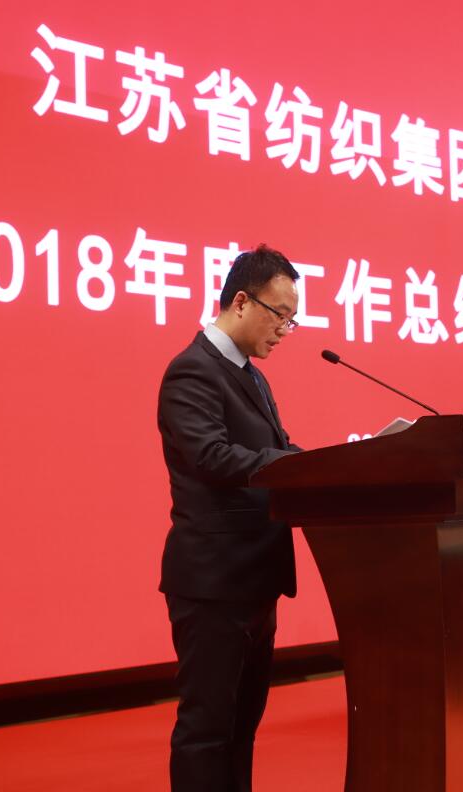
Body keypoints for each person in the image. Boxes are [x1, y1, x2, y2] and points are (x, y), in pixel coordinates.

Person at [157, 244, 303, 791]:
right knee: (208, 730)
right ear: (241, 301)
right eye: (279, 314)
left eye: (291, 319)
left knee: (242, 727)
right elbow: (211, 457)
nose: (285, 329)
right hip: (214, 581)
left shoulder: (252, 376)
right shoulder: (192, 370)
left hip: (255, 579)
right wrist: (296, 464)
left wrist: (320, 464)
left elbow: (274, 454)